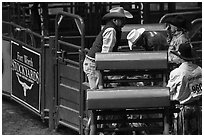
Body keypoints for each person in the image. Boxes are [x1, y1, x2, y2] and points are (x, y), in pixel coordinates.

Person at [83, 7, 133, 90]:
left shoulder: (111, 28)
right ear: (115, 20)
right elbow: (106, 51)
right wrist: (106, 67)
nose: (124, 22)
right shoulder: (111, 30)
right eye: (122, 19)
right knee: (97, 91)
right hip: (94, 64)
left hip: (94, 62)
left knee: (99, 90)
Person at [166, 43, 202, 134]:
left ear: (181, 57)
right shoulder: (199, 70)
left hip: (182, 109)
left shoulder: (177, 72)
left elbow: (169, 91)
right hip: (197, 107)